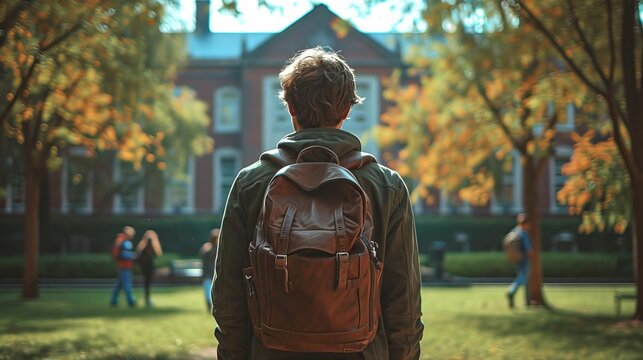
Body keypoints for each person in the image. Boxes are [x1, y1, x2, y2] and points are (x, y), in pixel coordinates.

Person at [212, 47, 424, 359]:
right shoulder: (387, 186)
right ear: (347, 110)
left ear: (291, 107)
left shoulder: (250, 183)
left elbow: (228, 296)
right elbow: (403, 303)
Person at [507, 213, 533, 308]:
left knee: (525, 279)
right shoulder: (524, 234)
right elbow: (528, 249)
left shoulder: (515, 231)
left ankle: (528, 301)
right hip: (525, 259)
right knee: (523, 278)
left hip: (518, 259)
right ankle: (511, 291)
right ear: (525, 224)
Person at [110, 225, 137, 307]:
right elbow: (123, 254)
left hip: (122, 265)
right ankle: (131, 301)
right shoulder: (123, 241)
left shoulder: (119, 240)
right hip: (125, 265)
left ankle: (114, 300)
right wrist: (134, 256)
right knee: (127, 284)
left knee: (119, 284)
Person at [136, 230, 163, 307]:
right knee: (147, 284)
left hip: (146, 268)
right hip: (148, 268)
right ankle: (147, 299)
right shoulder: (147, 247)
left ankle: (147, 299)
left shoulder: (143, 247)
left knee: (147, 284)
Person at [199, 228, 219, 310]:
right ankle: (210, 307)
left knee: (212, 293)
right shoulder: (208, 248)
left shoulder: (219, 248)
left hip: (213, 273)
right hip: (208, 273)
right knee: (208, 293)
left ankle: (213, 307)